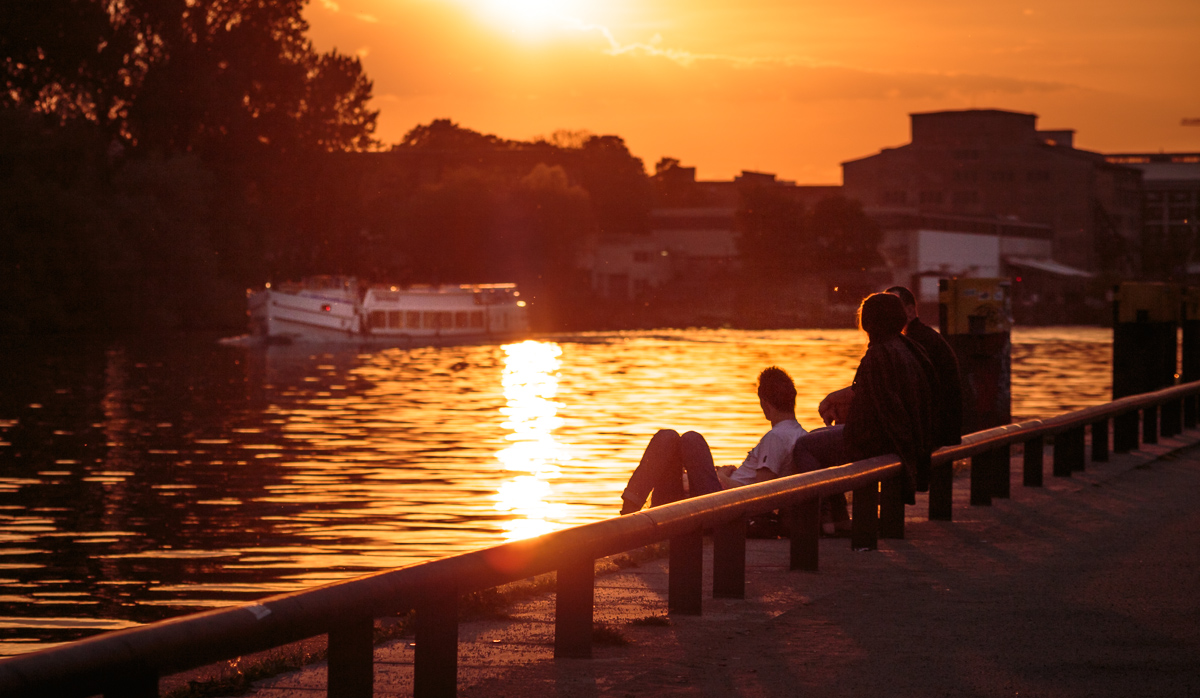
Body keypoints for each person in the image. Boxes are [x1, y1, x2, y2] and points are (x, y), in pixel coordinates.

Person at [792, 293, 936, 507]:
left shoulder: (880, 354)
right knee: (818, 436)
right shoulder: (908, 348)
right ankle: (837, 518)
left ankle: (817, 518)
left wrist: (844, 418)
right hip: (910, 436)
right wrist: (840, 409)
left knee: (805, 446)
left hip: (886, 440)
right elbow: (874, 399)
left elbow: (870, 413)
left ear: (868, 323)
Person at [620, 366, 807, 515]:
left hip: (724, 508)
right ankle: (630, 512)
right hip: (724, 496)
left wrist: (722, 478)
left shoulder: (775, 437)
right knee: (671, 438)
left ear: (764, 403)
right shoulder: (801, 434)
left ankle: (628, 514)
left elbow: (760, 492)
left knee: (685, 440)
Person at [884, 285, 963, 450]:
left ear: (911, 311)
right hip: (938, 429)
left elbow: (895, 386)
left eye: (894, 308)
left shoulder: (915, 342)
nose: (887, 313)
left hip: (930, 433)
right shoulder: (920, 336)